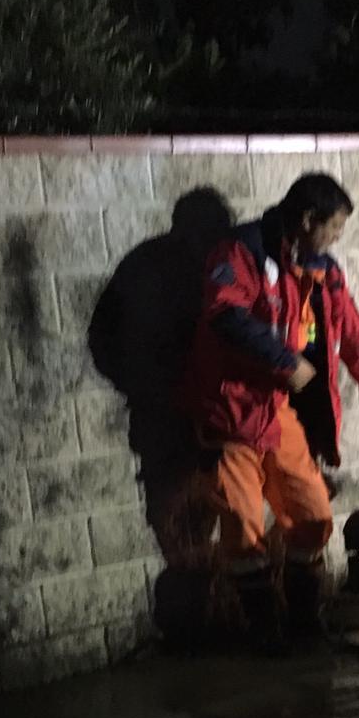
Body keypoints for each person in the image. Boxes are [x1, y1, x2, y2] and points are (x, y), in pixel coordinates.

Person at [181, 172, 359, 651]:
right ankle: (266, 634)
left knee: (312, 515)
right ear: (308, 221)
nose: (336, 240)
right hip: (229, 412)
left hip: (275, 410)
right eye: (334, 229)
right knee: (242, 531)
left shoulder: (324, 272)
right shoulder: (240, 254)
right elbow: (225, 314)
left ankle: (305, 623)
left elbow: (357, 338)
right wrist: (286, 362)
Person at [88, 188, 235, 648]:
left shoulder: (160, 264)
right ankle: (193, 630)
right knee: (180, 525)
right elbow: (106, 341)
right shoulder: (162, 268)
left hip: (191, 420)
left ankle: (198, 624)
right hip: (173, 420)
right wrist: (154, 389)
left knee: (192, 523)